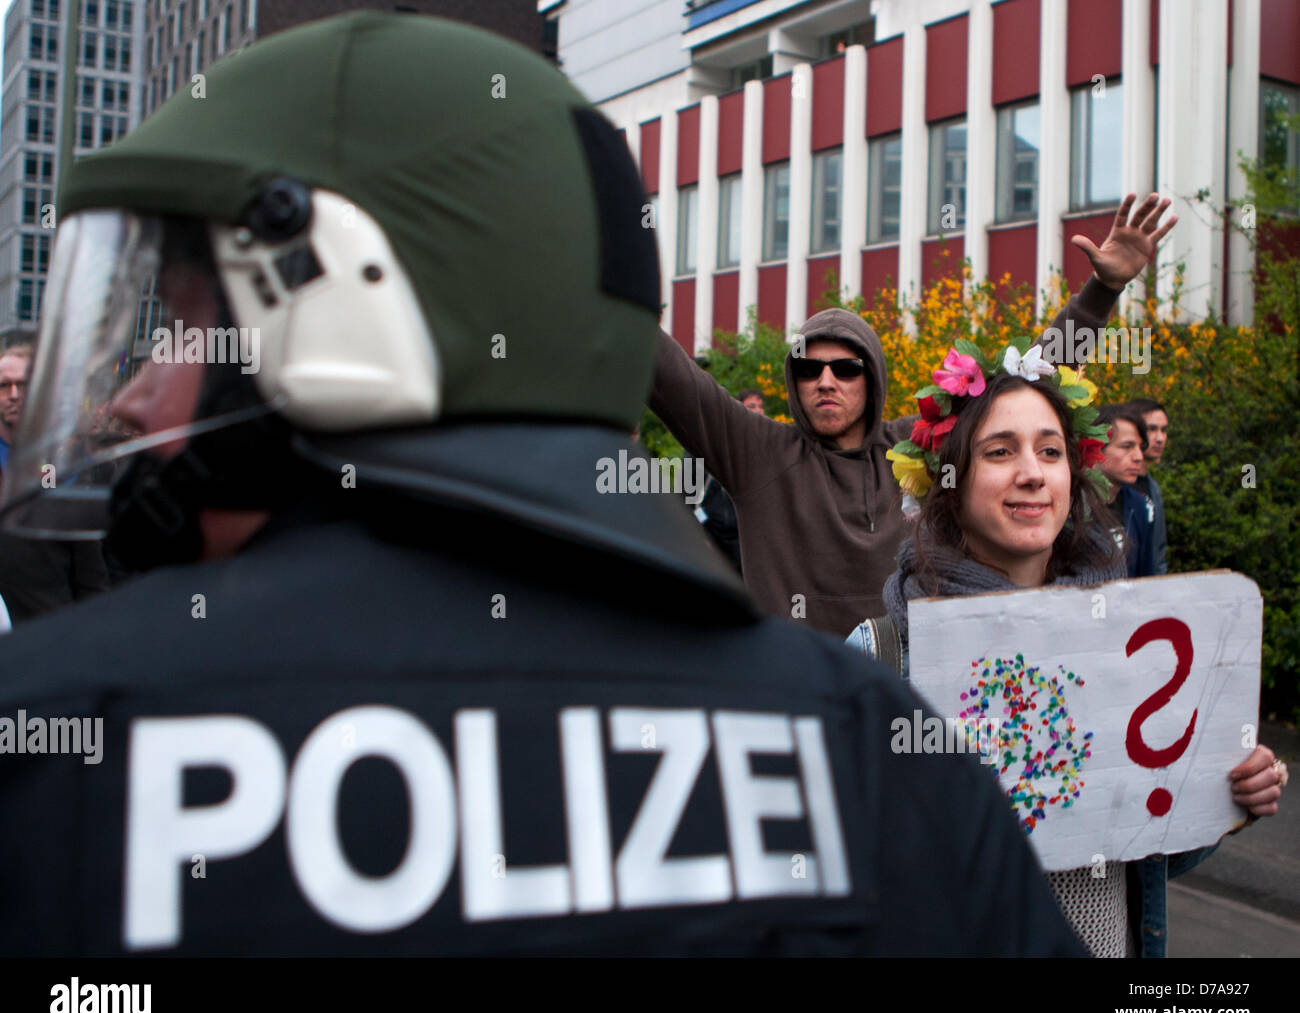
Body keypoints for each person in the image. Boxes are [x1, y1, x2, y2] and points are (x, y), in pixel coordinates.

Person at [0, 12, 1088, 957]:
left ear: (344, 331)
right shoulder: (876, 758)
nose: (133, 398)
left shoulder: (54, 743)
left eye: (182, 330)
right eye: (810, 368)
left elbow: (1014, 395)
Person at [846, 348, 1285, 957]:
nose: (1032, 472)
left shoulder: (1130, 643)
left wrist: (1226, 795)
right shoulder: (882, 654)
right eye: (1000, 451)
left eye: (1051, 452)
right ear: (949, 479)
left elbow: (1145, 852)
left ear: (1074, 476)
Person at [648, 196, 1178, 635]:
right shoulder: (756, 454)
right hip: (799, 709)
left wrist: (1102, 291)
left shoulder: (920, 446)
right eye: (809, 369)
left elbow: (1029, 380)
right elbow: (669, 377)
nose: (826, 381)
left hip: (916, 703)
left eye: (846, 368)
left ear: (873, 377)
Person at [0, 345, 110, 623]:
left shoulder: (66, 468)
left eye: (22, 385)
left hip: (47, 629)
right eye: (4, 386)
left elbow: (90, 573)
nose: (13, 395)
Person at [695, 388, 766, 575]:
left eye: (761, 406)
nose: (758, 410)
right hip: (715, 540)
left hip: (750, 542)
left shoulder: (767, 447)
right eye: (752, 406)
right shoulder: (711, 443)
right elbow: (685, 495)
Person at [1096, 403, 1158, 577]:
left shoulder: (1141, 507)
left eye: (1139, 447)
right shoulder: (1069, 508)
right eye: (1127, 447)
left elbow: (1145, 578)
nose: (1138, 457)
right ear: (1097, 449)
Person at [1128, 397, 1169, 574]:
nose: (1160, 438)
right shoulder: (1116, 488)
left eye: (1164, 430)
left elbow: (1159, 551)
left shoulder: (1154, 489)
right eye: (1152, 429)